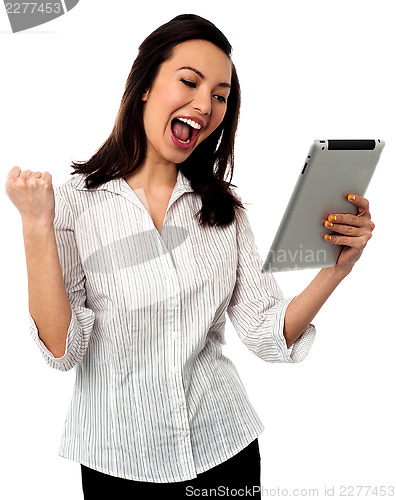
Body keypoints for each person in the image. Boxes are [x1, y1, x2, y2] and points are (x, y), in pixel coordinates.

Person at [5, 13, 375, 500]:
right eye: (189, 82)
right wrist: (35, 225)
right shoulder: (72, 204)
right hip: (119, 462)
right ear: (143, 85)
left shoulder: (223, 210)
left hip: (225, 449)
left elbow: (267, 333)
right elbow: (61, 350)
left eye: (220, 96)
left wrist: (337, 269)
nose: (205, 105)